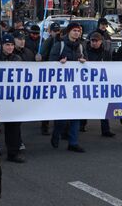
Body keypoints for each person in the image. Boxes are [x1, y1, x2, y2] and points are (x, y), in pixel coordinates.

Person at [0, 34, 25, 163]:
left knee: (13, 126)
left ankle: (13, 153)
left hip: (10, 98)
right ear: (2, 45)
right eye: (7, 45)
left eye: (12, 45)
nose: (10, 47)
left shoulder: (18, 58)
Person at [49, 22, 87, 153]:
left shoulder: (81, 47)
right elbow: (50, 64)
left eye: (79, 31)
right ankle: (56, 133)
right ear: (69, 32)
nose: (77, 33)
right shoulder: (59, 45)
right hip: (62, 88)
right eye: (75, 30)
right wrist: (59, 63)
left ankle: (73, 142)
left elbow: (85, 61)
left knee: (76, 115)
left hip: (76, 87)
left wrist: (83, 62)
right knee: (62, 117)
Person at [85, 32, 116, 137]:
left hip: (101, 83)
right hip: (88, 82)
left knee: (103, 106)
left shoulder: (106, 53)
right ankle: (82, 124)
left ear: (101, 42)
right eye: (92, 41)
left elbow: (111, 66)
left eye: (96, 41)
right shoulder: (85, 52)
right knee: (85, 104)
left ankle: (105, 129)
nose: (94, 43)